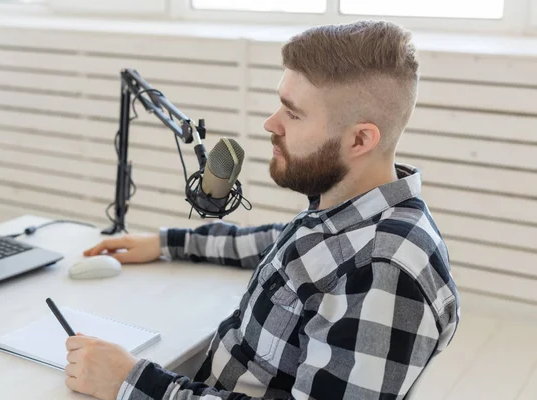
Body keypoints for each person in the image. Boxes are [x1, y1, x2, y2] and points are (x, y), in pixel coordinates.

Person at [64, 20, 460, 400]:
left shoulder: (382, 273)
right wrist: (168, 242)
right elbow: (285, 243)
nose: (271, 123)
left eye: (293, 112)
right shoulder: (351, 213)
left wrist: (131, 382)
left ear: (359, 139)